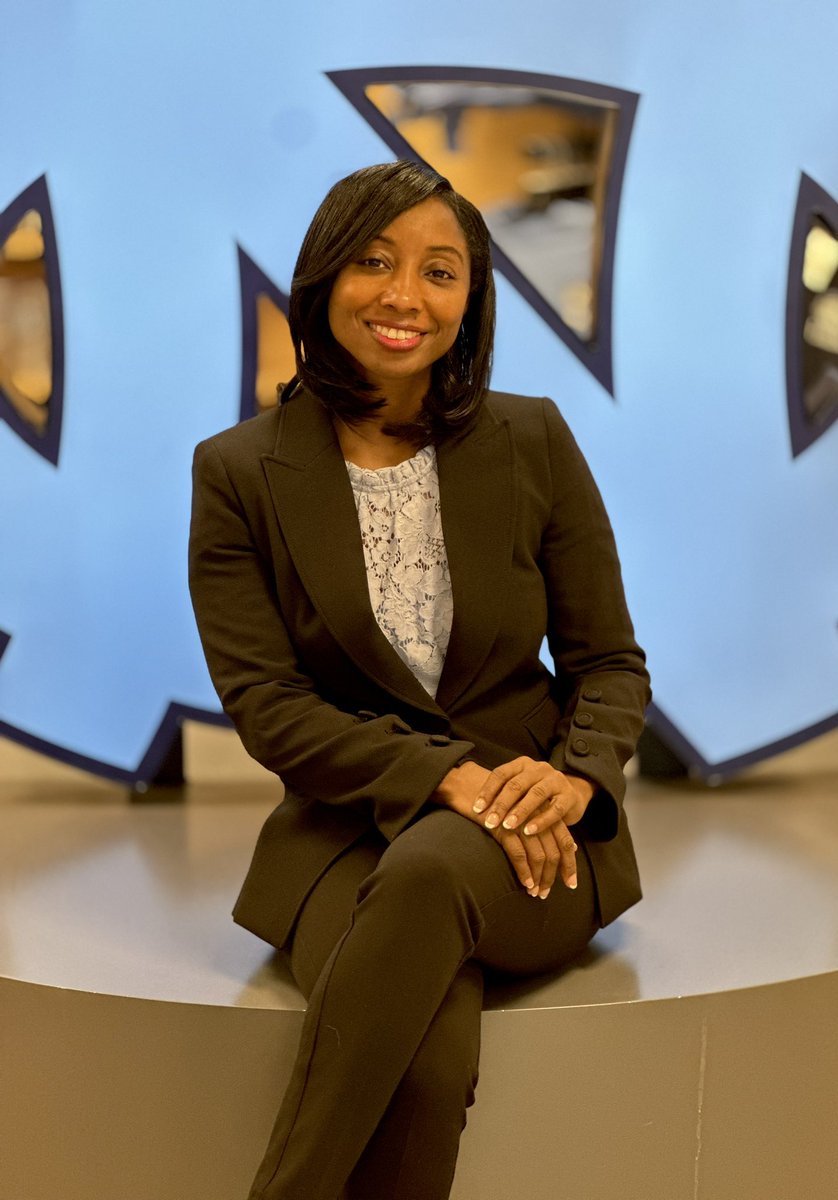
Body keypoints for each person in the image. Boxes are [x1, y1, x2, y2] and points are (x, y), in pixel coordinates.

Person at [189, 160, 650, 1200]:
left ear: (471, 301)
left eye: (441, 271)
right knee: (432, 1064)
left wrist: (573, 780)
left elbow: (609, 661)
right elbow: (268, 707)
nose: (406, 295)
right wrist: (449, 779)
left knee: (439, 869)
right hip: (343, 837)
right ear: (322, 281)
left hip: (537, 842)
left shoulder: (532, 438)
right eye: (374, 261)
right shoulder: (238, 473)